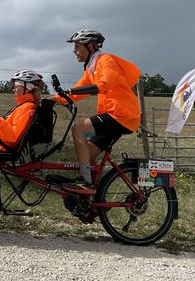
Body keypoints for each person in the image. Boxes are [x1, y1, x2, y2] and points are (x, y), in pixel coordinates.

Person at [55, 29, 141, 191]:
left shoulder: (105, 60)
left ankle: (85, 183)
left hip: (121, 114)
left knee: (78, 128)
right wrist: (51, 100)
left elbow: (104, 84)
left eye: (77, 46)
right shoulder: (91, 68)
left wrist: (73, 92)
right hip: (113, 116)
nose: (74, 51)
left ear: (90, 47)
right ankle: (94, 198)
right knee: (88, 154)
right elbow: (78, 90)